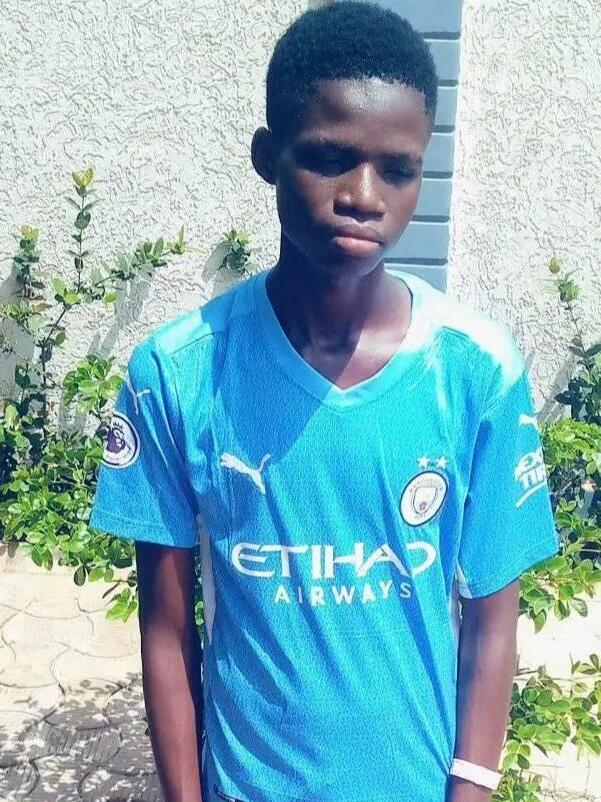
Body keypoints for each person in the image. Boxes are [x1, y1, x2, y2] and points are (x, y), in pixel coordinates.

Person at [89, 3, 560, 801]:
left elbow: (489, 619)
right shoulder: (178, 372)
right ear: (268, 158)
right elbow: (166, 634)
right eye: (329, 158)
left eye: (396, 170)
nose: (363, 196)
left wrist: (470, 789)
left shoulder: (474, 371)